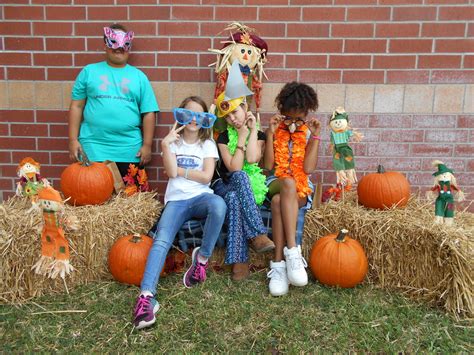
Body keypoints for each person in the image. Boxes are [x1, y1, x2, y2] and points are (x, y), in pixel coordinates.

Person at [132, 96, 226, 330]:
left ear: (205, 119)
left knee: (219, 205)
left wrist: (180, 171)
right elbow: (170, 170)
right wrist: (165, 146)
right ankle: (146, 297)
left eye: (199, 115)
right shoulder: (172, 143)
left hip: (201, 197)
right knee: (161, 240)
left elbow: (205, 177)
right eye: (189, 113)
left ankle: (201, 260)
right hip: (176, 201)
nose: (194, 119)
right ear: (181, 116)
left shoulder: (207, 145)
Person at [68, 23, 159, 177]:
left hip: (129, 149)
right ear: (105, 44)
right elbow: (76, 106)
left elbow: (149, 112)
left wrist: (147, 145)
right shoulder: (89, 72)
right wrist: (72, 140)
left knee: (129, 198)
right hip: (93, 147)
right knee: (92, 194)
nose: (119, 47)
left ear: (129, 46)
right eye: (114, 42)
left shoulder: (139, 77)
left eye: (124, 44)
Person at [264, 82, 321, 296]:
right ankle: (293, 252)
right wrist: (269, 134)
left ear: (305, 115)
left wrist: (315, 137)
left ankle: (278, 264)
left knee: (280, 201)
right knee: (286, 184)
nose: (293, 124)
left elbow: (307, 169)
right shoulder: (275, 129)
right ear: (282, 113)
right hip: (276, 182)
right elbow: (268, 166)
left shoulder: (307, 133)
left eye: (299, 119)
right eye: (289, 118)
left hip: (300, 185)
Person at [212, 90, 274, 282]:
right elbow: (234, 168)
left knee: (234, 199)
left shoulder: (260, 134)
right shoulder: (222, 137)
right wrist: (241, 137)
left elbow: (252, 159)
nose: (232, 119)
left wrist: (252, 131)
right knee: (238, 177)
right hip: (224, 184)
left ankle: (239, 261)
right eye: (227, 116)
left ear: (245, 108)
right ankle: (257, 233)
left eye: (235, 113)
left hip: (244, 190)